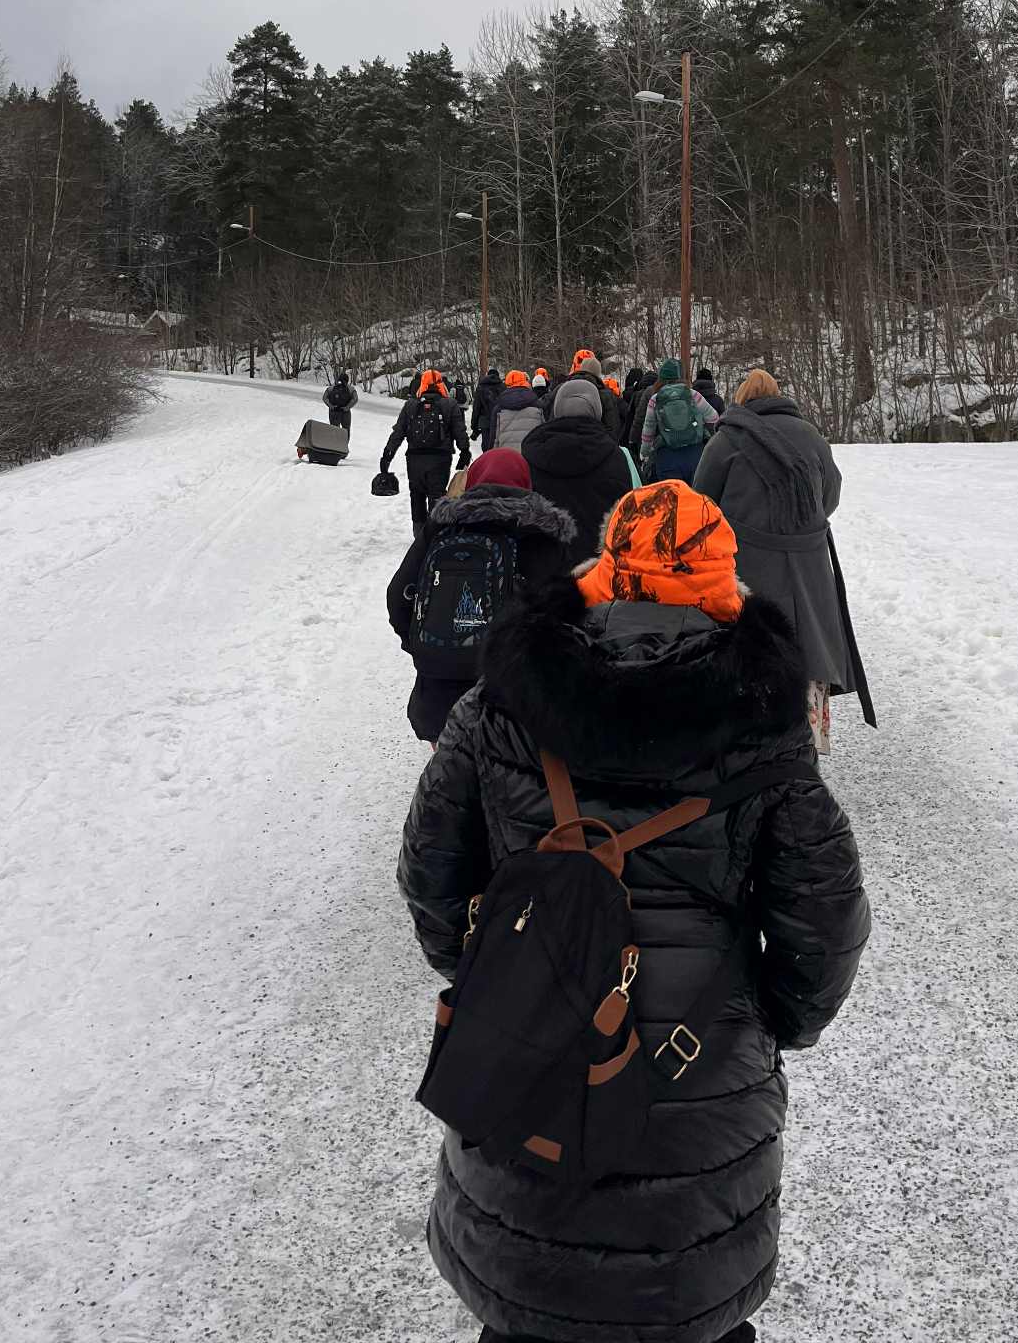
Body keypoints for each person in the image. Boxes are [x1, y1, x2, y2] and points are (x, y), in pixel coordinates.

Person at [398, 478, 869, 1343]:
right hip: (699, 1085)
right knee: (686, 1305)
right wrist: (769, 1022)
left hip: (525, 1061)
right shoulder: (766, 724)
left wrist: (490, 969)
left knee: (526, 1303)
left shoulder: (499, 701)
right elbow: (825, 919)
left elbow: (430, 866)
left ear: (608, 570)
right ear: (722, 579)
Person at [694, 368, 862, 754]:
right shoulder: (812, 437)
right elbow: (830, 497)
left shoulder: (725, 441)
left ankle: (754, 752)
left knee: (752, 654)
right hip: (810, 567)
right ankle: (806, 746)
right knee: (808, 650)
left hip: (747, 568)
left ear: (742, 400)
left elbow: (701, 504)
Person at [385, 449, 575, 744]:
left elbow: (398, 595)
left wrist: (425, 647)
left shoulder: (442, 528)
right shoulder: (544, 537)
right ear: (527, 484)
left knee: (449, 776)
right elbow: (566, 619)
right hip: (515, 700)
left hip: (439, 698)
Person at [521, 375, 640, 562]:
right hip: (602, 571)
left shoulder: (531, 456)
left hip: (545, 572)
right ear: (597, 409)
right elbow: (634, 513)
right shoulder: (619, 456)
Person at [380, 370, 472, 536]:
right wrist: (464, 451)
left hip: (414, 458)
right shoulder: (449, 404)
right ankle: (435, 532)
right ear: (441, 385)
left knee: (416, 495)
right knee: (437, 495)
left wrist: (387, 455)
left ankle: (419, 535)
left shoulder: (411, 405)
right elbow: (460, 431)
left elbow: (398, 432)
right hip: (440, 458)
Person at [637, 357, 719, 485]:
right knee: (696, 499)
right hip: (695, 455)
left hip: (667, 457)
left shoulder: (655, 399)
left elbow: (648, 432)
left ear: (661, 378)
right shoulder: (693, 395)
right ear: (680, 376)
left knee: (673, 501)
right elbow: (714, 418)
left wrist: (644, 454)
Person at [489, 369, 547, 455]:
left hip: (506, 457)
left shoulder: (499, 408)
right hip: (532, 456)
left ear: (507, 385)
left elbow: (493, 438)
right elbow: (544, 433)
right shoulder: (538, 405)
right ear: (525, 383)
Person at [472, 368, 503, 443]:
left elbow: (476, 408)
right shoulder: (503, 387)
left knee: (487, 447)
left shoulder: (481, 388)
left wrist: (474, 426)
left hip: (485, 422)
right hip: (500, 421)